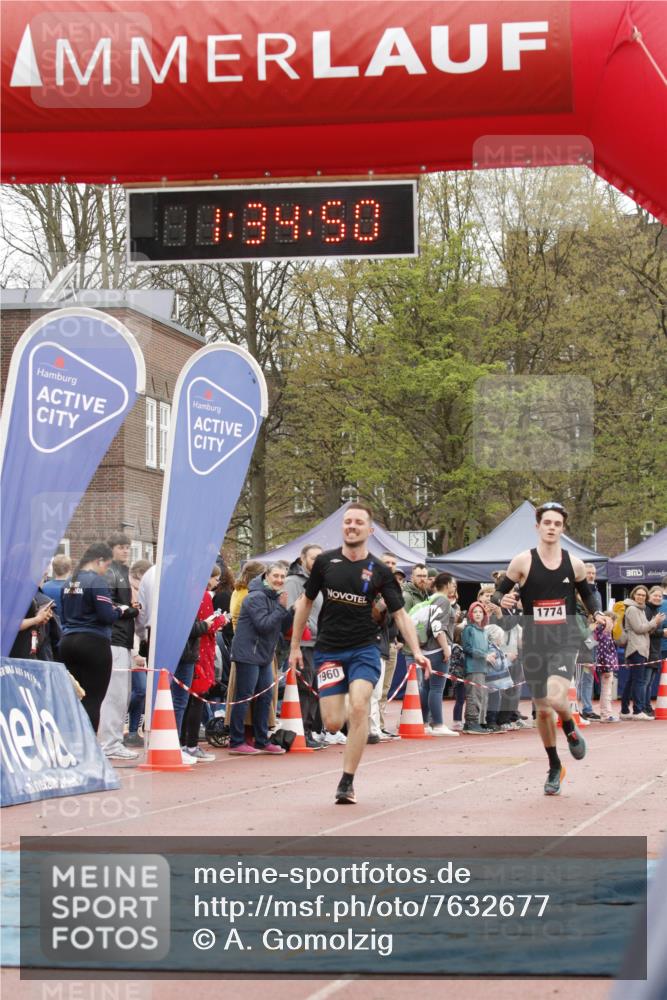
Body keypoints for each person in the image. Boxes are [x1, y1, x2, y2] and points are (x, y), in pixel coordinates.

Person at [288, 503, 430, 805]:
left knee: (360, 705)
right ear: (343, 527)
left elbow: (401, 615)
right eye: (347, 522)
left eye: (358, 522)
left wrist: (417, 651)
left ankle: (347, 781)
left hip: (364, 648)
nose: (352, 526)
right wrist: (295, 647)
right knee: (332, 723)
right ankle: (349, 717)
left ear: (370, 530)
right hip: (329, 650)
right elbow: (304, 603)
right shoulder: (325, 563)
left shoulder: (379, 570)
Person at [493, 502, 608, 796]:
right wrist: (500, 601)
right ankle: (555, 765)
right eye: (548, 523)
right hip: (534, 642)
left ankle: (569, 725)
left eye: (557, 524)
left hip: (564, 639)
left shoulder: (575, 563)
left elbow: (587, 595)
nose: (552, 528)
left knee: (557, 696)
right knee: (543, 712)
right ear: (538, 527)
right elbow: (498, 593)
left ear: (563, 528)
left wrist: (597, 614)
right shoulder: (522, 562)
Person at [60, 543, 137, 733]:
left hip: (68, 641)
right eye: (106, 566)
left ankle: (71, 744)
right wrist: (120, 610)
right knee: (93, 699)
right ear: (98, 561)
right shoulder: (96, 582)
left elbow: (63, 615)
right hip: (93, 643)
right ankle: (89, 749)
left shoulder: (69, 582)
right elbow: (106, 616)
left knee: (71, 698)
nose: (106, 571)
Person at [229, 563, 294, 755]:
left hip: (264, 655)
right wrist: (282, 609)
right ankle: (236, 741)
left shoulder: (275, 597)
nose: (280, 580)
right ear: (267, 575)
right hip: (248, 654)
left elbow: (280, 628)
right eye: (276, 576)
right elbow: (264, 625)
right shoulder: (255, 597)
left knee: (266, 697)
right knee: (244, 696)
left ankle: (261, 739)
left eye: (283, 577)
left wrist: (292, 611)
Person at [97, 534, 139, 761]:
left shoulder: (120, 572)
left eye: (127, 547)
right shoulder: (110, 572)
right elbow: (108, 604)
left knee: (120, 694)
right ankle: (110, 743)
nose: (126, 551)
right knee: (115, 694)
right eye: (121, 548)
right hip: (115, 639)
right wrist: (129, 609)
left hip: (121, 638)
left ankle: (112, 741)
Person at [180, 567, 226, 761]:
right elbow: (208, 624)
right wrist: (222, 619)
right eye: (216, 578)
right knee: (196, 698)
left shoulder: (186, 593)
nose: (216, 583)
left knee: (188, 699)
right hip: (202, 651)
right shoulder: (203, 596)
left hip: (194, 649)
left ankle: (184, 743)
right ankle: (190, 744)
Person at [284, 544, 324, 749]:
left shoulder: (321, 582)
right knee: (305, 689)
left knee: (316, 689)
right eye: (313, 558)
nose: (317, 562)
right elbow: (292, 612)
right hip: (303, 643)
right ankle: (302, 731)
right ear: (302, 559)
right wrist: (297, 643)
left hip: (320, 643)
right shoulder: (293, 582)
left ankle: (312, 729)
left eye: (320, 558)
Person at [418, 572, 458, 736]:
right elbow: (437, 626)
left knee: (427, 687)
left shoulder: (430, 599)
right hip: (438, 649)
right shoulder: (443, 601)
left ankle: (425, 723)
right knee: (436, 688)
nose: (454, 587)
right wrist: (446, 648)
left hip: (426, 649)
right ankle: (438, 724)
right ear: (447, 584)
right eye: (453, 584)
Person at [620, 585, 664, 720]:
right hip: (637, 648)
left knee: (632, 680)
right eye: (638, 594)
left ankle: (625, 710)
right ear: (633, 595)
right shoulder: (633, 609)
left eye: (643, 595)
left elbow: (646, 629)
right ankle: (638, 711)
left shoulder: (641, 609)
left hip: (640, 648)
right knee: (639, 681)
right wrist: (654, 622)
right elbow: (639, 629)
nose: (641, 597)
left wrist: (654, 624)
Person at [461, 601, 493, 734]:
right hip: (472, 667)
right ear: (470, 614)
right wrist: (485, 655)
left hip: (482, 668)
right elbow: (467, 648)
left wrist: (490, 655)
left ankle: (479, 722)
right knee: (473, 695)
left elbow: (486, 648)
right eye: (475, 612)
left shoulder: (484, 631)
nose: (478, 614)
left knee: (481, 696)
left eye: (480, 612)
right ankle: (471, 722)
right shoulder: (469, 629)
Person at [594, 612, 620, 722]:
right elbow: (604, 651)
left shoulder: (597, 630)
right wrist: (607, 667)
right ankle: (606, 714)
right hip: (606, 665)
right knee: (606, 691)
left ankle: (605, 713)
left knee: (606, 690)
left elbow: (589, 644)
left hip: (602, 663)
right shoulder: (605, 632)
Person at [646, 587, 667, 717]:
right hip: (649, 650)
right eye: (655, 595)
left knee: (648, 681)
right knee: (645, 681)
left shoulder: (656, 609)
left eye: (660, 596)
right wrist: (662, 632)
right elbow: (646, 630)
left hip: (657, 649)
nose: (658, 598)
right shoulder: (648, 610)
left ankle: (645, 707)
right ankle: (642, 708)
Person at [41, 554, 72, 621]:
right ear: (69, 569)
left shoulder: (44, 587)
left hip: (52, 628)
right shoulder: (76, 587)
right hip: (71, 628)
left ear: (54, 569)